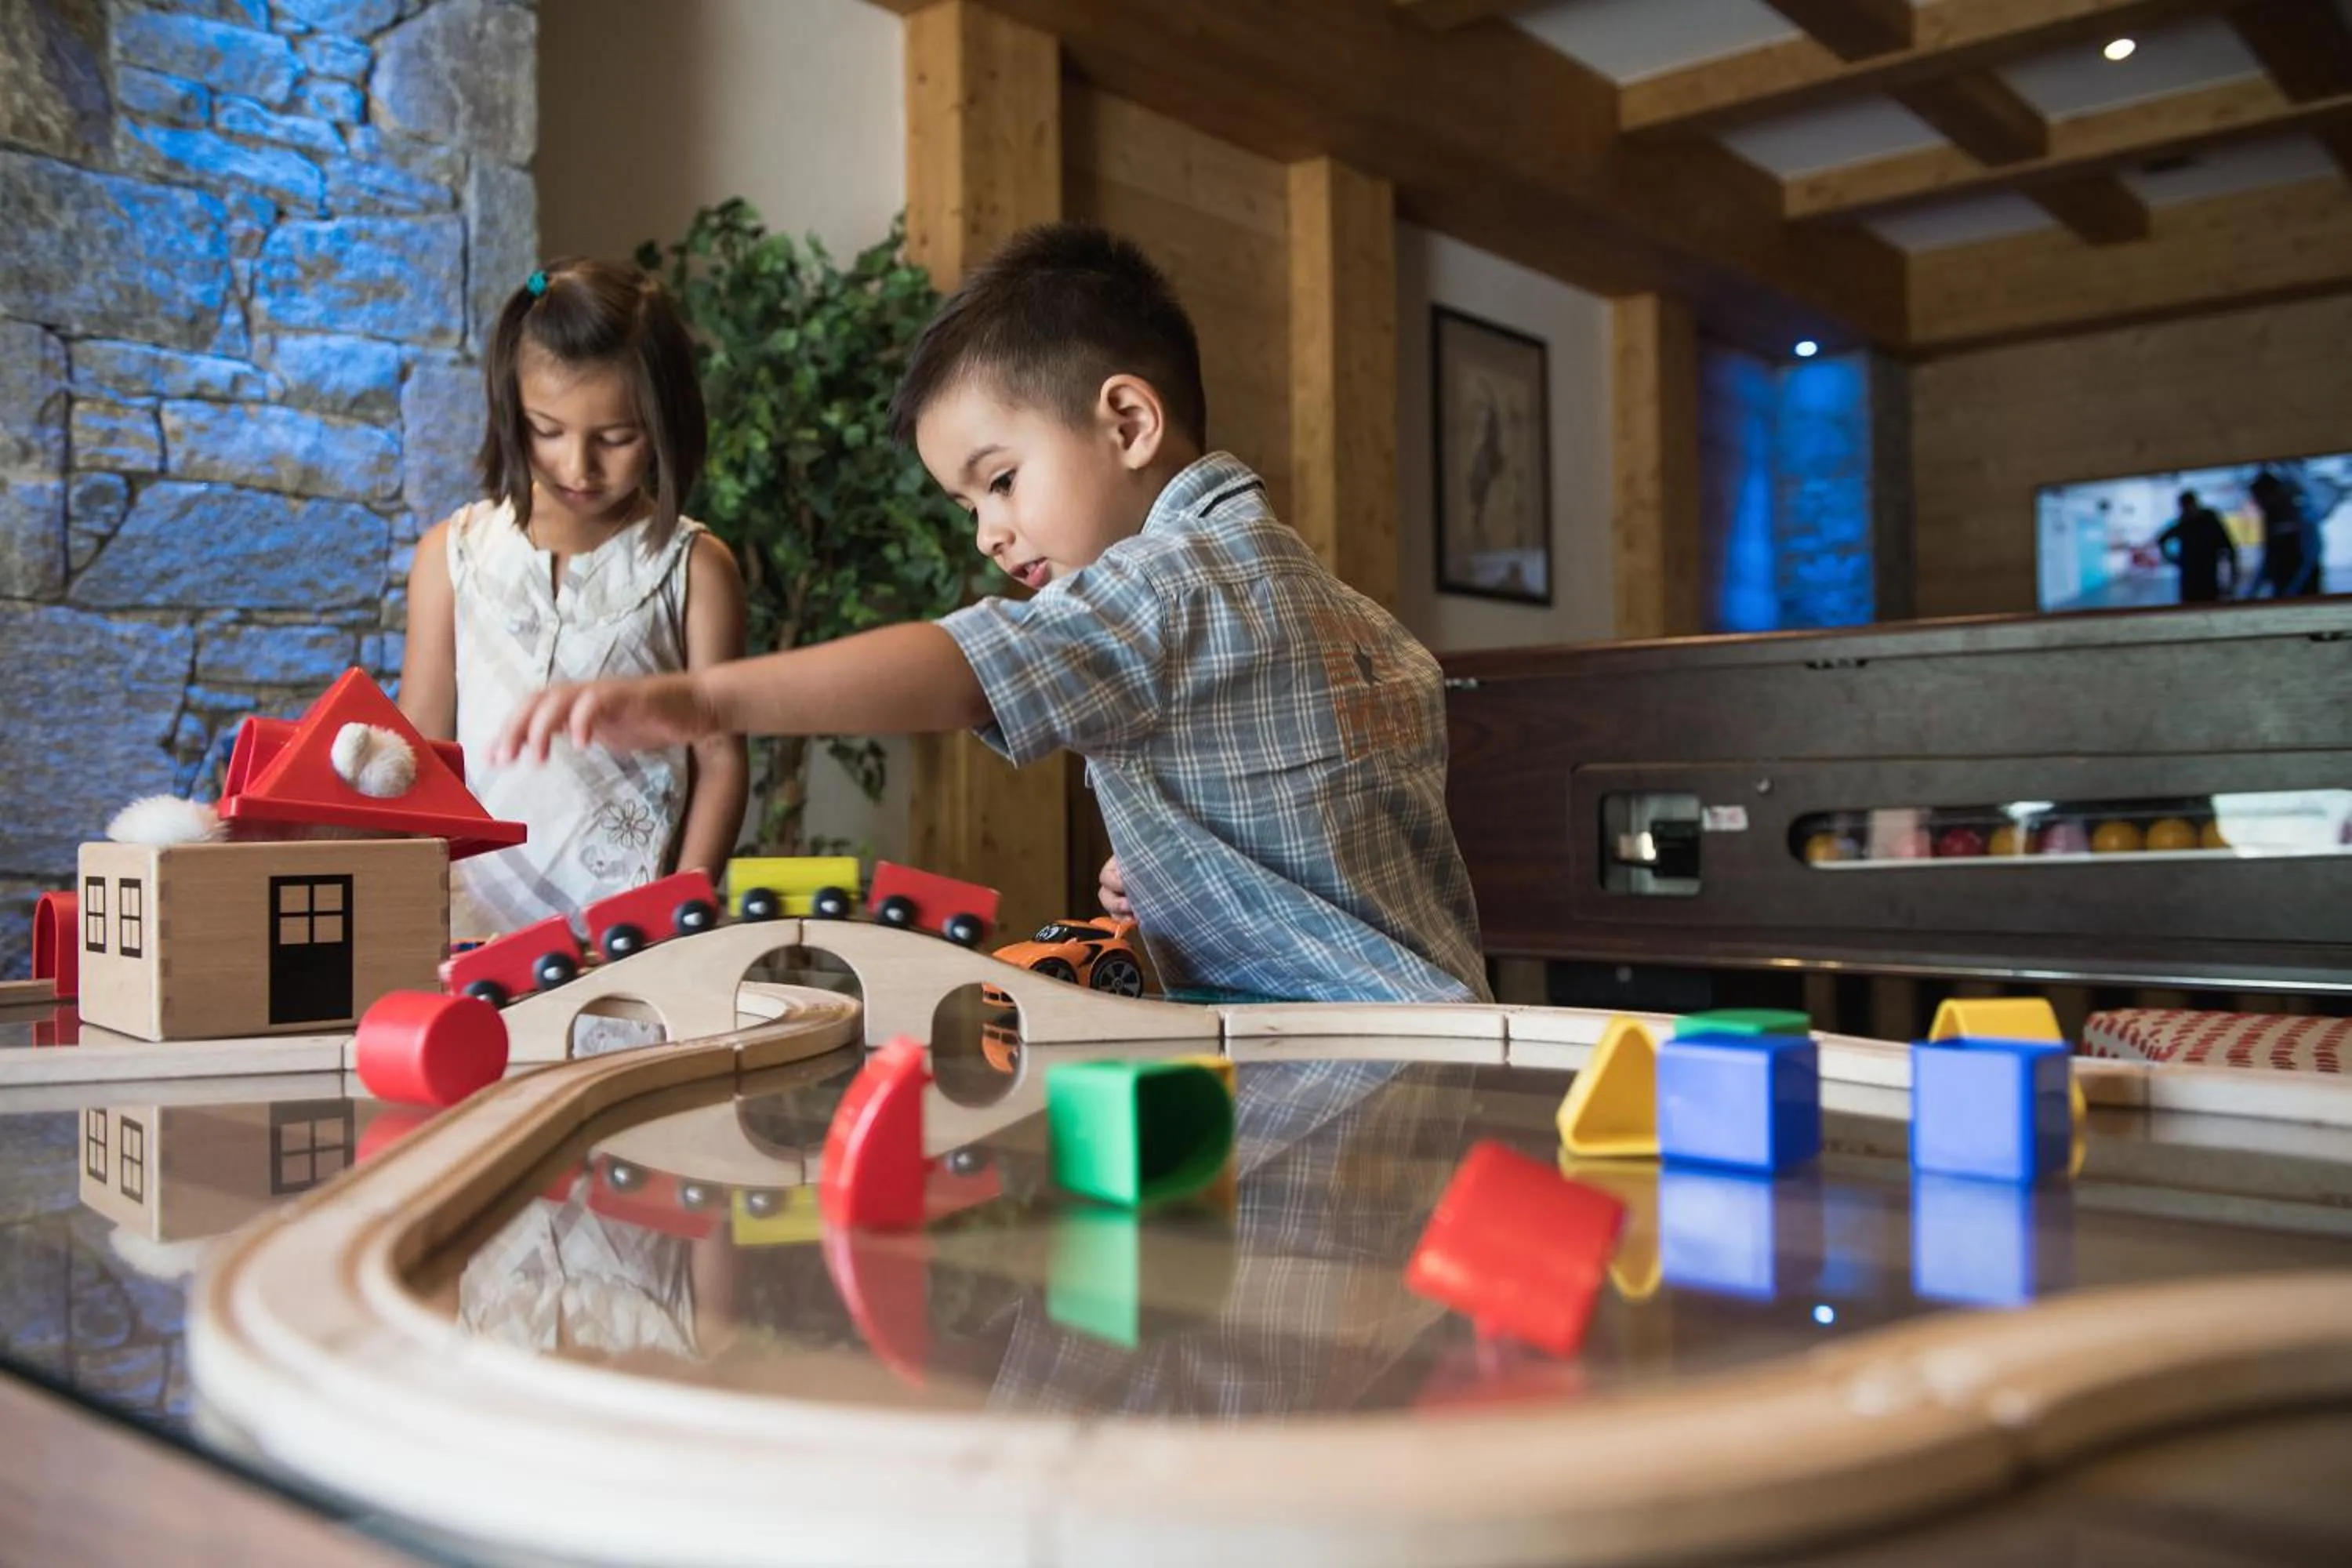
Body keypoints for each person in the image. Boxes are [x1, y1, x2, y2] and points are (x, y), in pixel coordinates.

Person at [492, 223, 1487, 1006]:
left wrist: (703, 697)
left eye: (1001, 481)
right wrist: (1185, 860)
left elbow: (967, 663)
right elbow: (1328, 829)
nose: (990, 535)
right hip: (1451, 1025)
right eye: (970, 508)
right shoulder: (1349, 613)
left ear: (1129, 422)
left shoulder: (1166, 583)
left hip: (1331, 1054)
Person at [398, 258, 748, 942]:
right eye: (547, 431)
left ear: (664, 421)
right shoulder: (452, 556)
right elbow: (421, 750)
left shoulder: (694, 570)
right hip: (468, 920)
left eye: (617, 438)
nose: (578, 466)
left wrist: (680, 916)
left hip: (628, 931)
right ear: (509, 411)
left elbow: (722, 761)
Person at [2154, 488, 2237, 604]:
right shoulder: (2184, 523)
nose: (2186, 511)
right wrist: (2173, 559)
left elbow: (2228, 548)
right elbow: (2161, 539)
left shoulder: (2209, 522)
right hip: (2190, 579)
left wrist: (2231, 577)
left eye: (2187, 507)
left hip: (2208, 578)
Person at [2248, 469, 2319, 599]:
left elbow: (2309, 559)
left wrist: (2291, 592)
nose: (2260, 503)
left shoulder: (2300, 514)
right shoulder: (2271, 517)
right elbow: (2269, 557)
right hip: (2282, 590)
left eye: (2262, 498)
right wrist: (2252, 592)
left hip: (2305, 593)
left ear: (2274, 493)